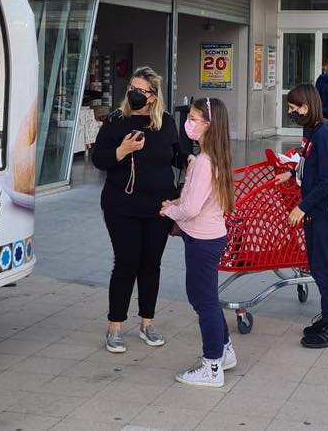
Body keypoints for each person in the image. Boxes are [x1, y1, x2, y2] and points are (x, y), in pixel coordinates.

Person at [90, 67, 185, 353]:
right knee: (126, 263)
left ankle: (147, 322)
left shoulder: (166, 123)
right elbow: (99, 159)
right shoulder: (117, 121)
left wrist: (192, 158)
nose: (133, 93)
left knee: (151, 265)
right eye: (132, 87)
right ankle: (115, 326)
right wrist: (123, 150)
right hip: (122, 206)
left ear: (154, 97)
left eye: (141, 90)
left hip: (159, 207)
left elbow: (177, 154)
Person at [161, 97, 237, 387]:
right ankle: (224, 350)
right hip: (207, 236)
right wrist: (177, 202)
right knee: (204, 299)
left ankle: (212, 366)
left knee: (203, 301)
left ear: (209, 125)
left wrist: (170, 210)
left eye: (194, 118)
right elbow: (195, 199)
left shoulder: (205, 162)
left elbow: (191, 209)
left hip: (203, 240)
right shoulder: (210, 158)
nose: (188, 124)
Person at [283, 84, 328, 349]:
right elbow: (308, 162)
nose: (290, 112)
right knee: (318, 265)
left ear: (306, 108)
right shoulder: (310, 133)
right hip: (317, 212)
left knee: (323, 268)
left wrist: (303, 207)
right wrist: (290, 173)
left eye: (292, 108)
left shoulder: (323, 135)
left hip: (324, 213)